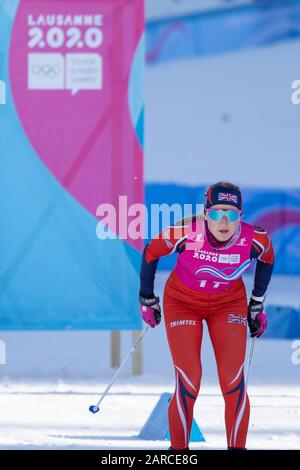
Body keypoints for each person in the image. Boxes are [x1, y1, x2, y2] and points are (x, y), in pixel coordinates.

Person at [138, 181, 274, 450]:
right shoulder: (185, 233)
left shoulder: (256, 238)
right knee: (190, 378)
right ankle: (178, 453)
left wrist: (256, 303)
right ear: (205, 214)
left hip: (228, 305)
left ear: (241, 216)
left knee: (233, 379)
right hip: (182, 303)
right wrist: (147, 298)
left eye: (232, 214)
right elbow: (151, 251)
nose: (224, 221)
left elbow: (267, 260)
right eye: (216, 213)